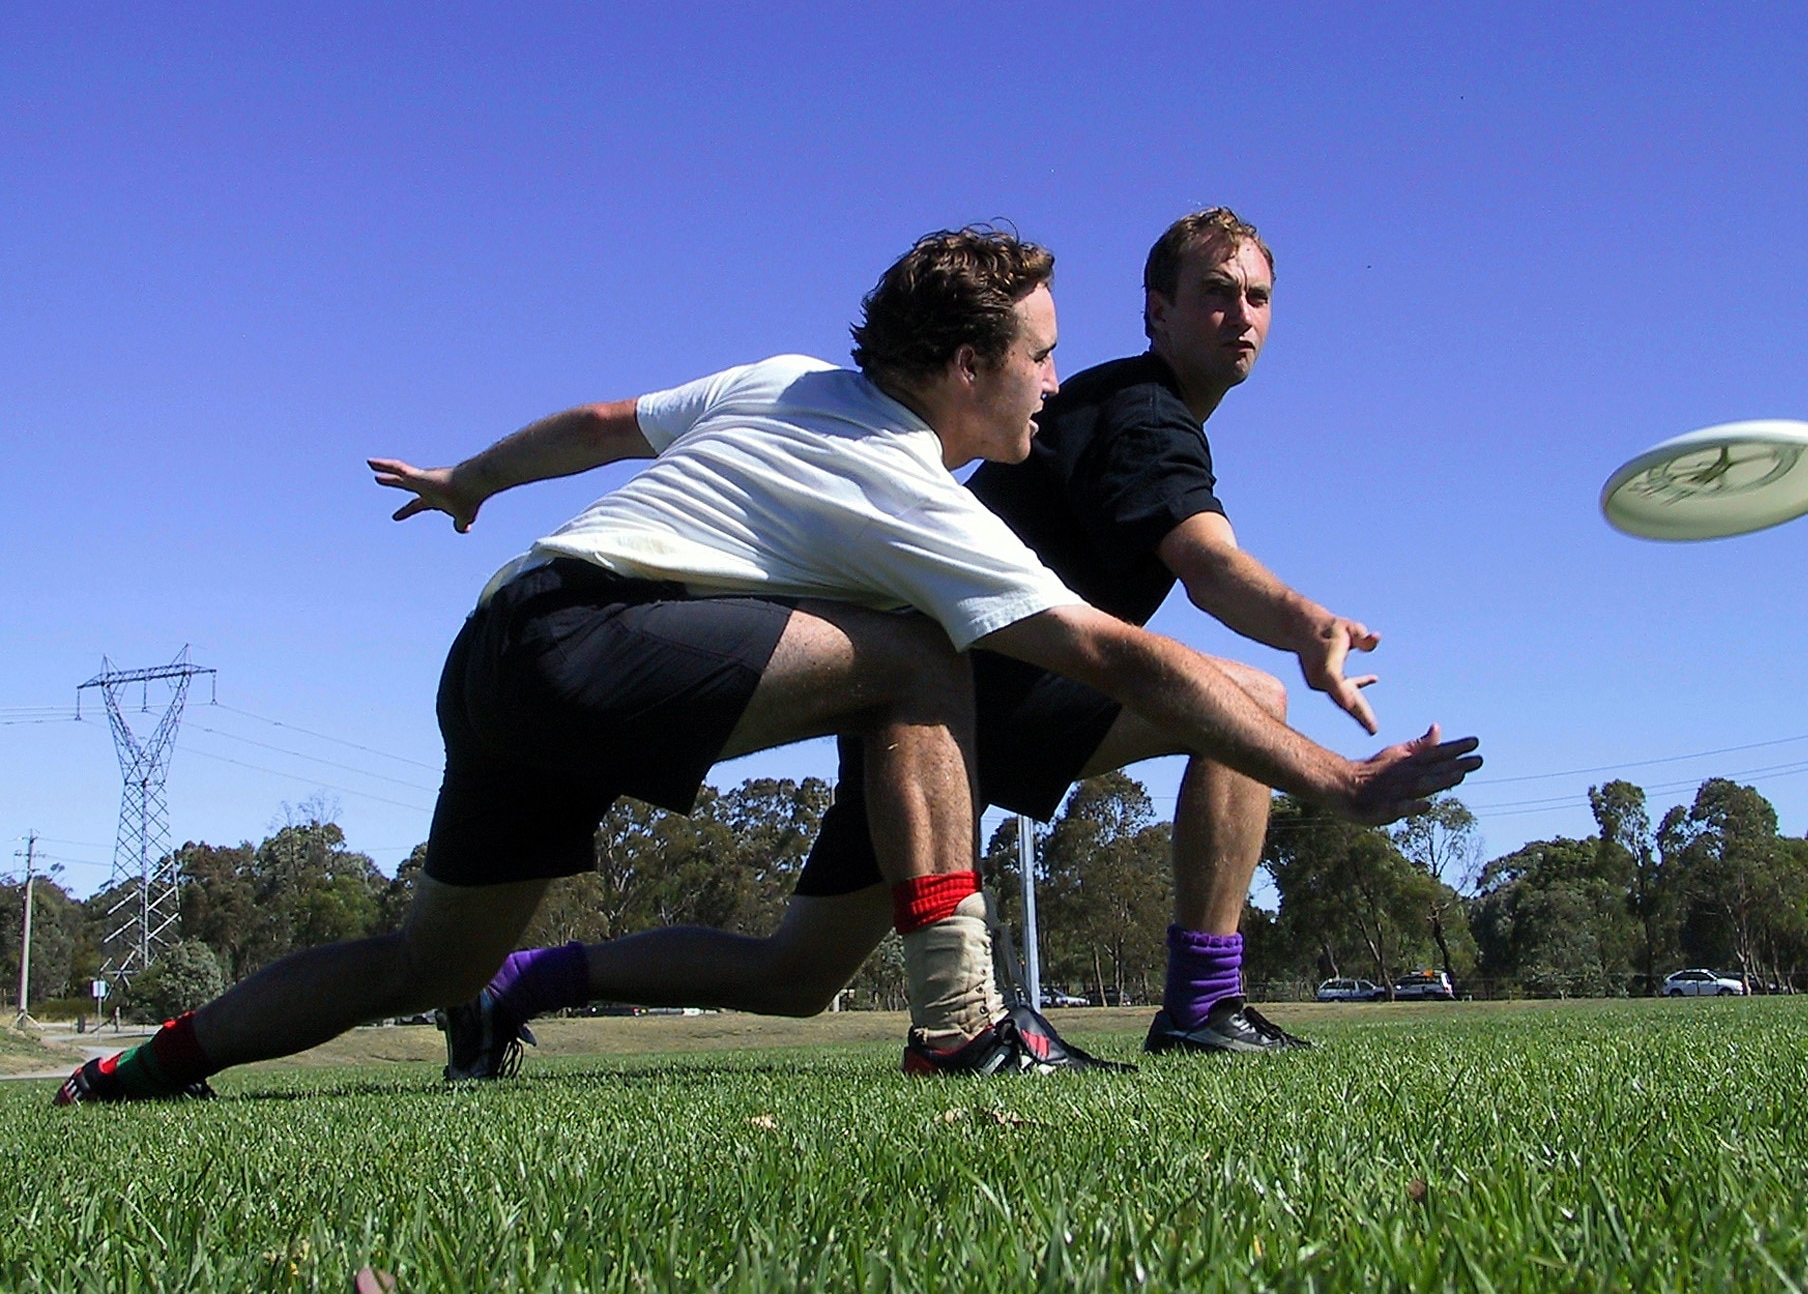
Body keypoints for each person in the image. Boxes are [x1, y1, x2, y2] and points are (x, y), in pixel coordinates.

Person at [440, 217, 1482, 1075]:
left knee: (794, 977)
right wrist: (1308, 632)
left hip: (928, 708)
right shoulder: (1144, 414)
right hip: (971, 688)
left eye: (1256, 297)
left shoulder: (1102, 403)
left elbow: (606, 420)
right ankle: (1202, 1004)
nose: (1239, 316)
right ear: (1157, 311)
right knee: (1243, 702)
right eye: (1215, 292)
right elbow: (1204, 564)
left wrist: (475, 479)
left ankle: (519, 982)